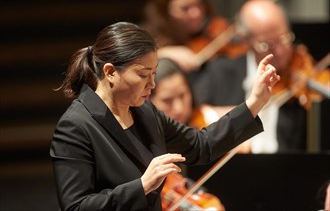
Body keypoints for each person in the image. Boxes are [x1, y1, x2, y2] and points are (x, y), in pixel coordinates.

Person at [49, 21, 280, 210]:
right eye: (143, 75)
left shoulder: (144, 110)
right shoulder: (76, 126)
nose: (152, 84)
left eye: (154, 73)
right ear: (110, 72)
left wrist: (255, 102)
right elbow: (76, 207)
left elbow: (201, 145)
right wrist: (142, 186)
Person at [193, 0, 329, 153]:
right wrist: (216, 116)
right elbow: (193, 113)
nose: (280, 51)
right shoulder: (220, 73)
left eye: (284, 39)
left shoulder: (302, 81)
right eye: (267, 45)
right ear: (246, 41)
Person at [142, 0, 247, 72]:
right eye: (185, 8)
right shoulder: (149, 37)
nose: (196, 13)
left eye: (199, 4)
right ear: (164, 10)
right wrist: (163, 53)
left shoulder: (216, 28)